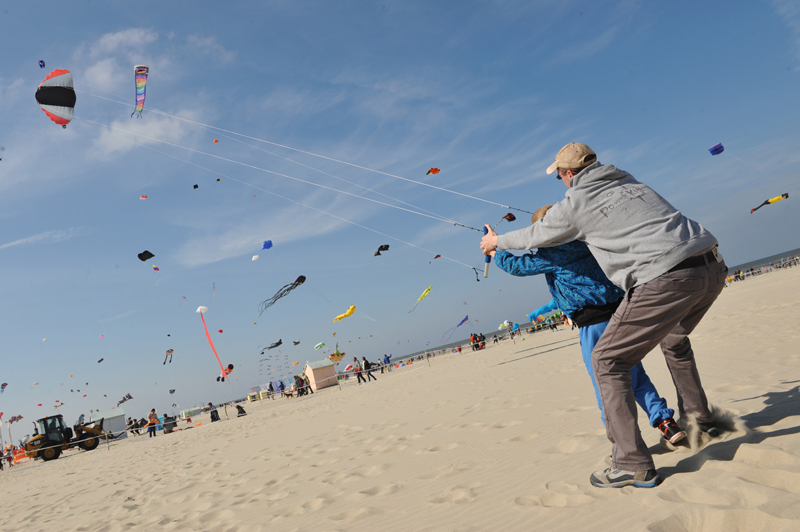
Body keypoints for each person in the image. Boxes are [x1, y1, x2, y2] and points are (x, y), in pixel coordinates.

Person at [481, 142, 726, 489]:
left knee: (607, 363)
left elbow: (534, 238)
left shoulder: (575, 205)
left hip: (659, 281)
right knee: (674, 339)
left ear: (567, 174)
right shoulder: (630, 182)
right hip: (711, 264)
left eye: (561, 175)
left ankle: (631, 463)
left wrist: (496, 243)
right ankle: (699, 420)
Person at [487, 205, 684, 444]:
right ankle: (666, 423)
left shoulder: (553, 254)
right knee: (635, 374)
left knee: (606, 384)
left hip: (594, 324)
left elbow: (516, 266)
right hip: (621, 314)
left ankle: (624, 444)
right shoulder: (587, 242)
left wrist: (495, 248)